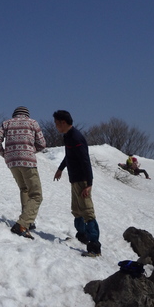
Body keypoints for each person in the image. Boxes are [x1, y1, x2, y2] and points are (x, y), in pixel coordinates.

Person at [52, 110, 101, 257]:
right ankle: (82, 236)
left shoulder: (76, 137)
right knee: (76, 209)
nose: (55, 126)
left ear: (63, 123)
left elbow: (85, 160)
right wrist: (60, 169)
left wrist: (89, 183)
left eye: (56, 123)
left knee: (87, 212)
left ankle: (94, 247)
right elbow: (69, 156)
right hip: (74, 179)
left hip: (82, 180)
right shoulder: (68, 136)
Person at [0, 106, 46, 239]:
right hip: (27, 161)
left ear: (14, 115)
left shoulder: (7, 123)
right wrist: (31, 150)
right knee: (36, 195)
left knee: (24, 189)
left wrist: (4, 153)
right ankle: (22, 224)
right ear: (27, 115)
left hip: (12, 161)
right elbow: (42, 143)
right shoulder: (32, 123)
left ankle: (28, 220)